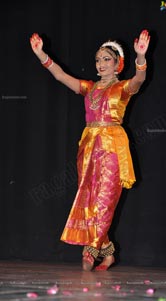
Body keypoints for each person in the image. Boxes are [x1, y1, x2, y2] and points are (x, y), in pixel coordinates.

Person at [30, 29, 150, 271]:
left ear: (118, 64)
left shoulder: (124, 88)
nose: (101, 63)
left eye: (107, 58)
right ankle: (108, 252)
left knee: (104, 200)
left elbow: (139, 79)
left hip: (112, 146)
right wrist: (42, 55)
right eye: (98, 59)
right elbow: (61, 76)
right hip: (88, 147)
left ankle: (91, 249)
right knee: (89, 201)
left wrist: (140, 58)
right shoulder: (89, 88)